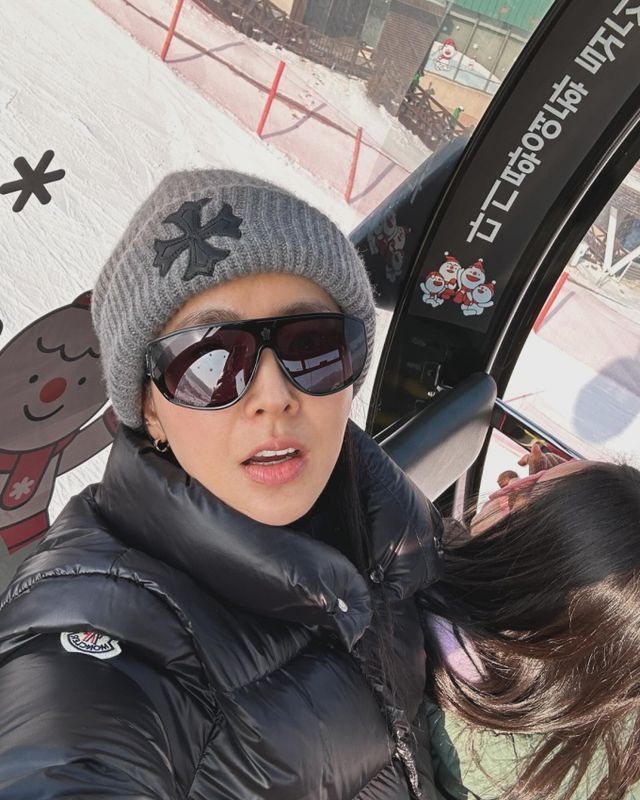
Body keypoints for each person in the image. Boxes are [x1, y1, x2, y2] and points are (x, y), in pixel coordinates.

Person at [0, 169, 444, 799]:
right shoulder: (95, 627)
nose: (273, 396)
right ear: (149, 409)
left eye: (312, 345)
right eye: (208, 362)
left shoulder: (396, 530)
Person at [421, 448, 640, 800]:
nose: (507, 487)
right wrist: (560, 501)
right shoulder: (612, 708)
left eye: (524, 490)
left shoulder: (405, 633)